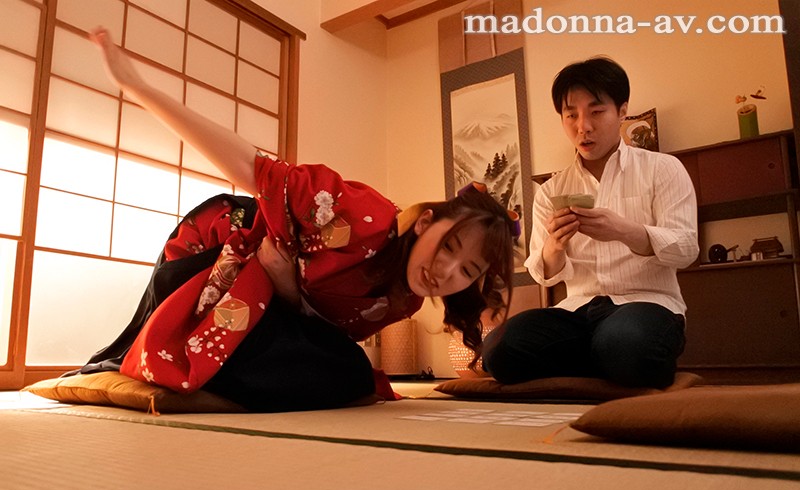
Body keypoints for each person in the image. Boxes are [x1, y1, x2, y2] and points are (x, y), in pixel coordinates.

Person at [71, 28, 518, 412]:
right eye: (449, 247)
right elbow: (249, 166)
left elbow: (320, 337)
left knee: (350, 372)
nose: (446, 271)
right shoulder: (356, 213)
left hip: (275, 302)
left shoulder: (408, 301)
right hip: (220, 257)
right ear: (424, 223)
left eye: (467, 271)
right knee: (323, 373)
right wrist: (138, 87)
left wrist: (287, 290)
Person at [479, 57, 699, 389]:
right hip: (576, 312)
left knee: (626, 341)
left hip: (647, 303)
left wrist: (625, 231)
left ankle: (609, 356)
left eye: (596, 112)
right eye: (571, 115)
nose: (583, 126)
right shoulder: (551, 190)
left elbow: (686, 249)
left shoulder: (663, 169)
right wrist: (555, 245)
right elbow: (543, 272)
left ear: (622, 111)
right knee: (498, 349)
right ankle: (609, 359)